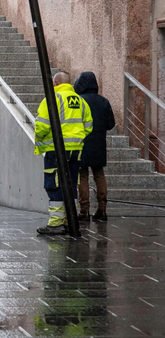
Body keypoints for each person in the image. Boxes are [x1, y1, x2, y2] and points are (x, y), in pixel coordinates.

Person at [35, 72, 93, 235]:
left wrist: (39, 139)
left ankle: (55, 223)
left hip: (56, 149)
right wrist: (77, 138)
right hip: (76, 150)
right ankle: (69, 220)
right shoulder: (81, 101)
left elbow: (42, 126)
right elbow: (89, 126)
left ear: (56, 83)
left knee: (54, 185)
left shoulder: (52, 100)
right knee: (71, 183)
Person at [74, 72, 115, 222]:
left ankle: (84, 211)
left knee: (82, 175)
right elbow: (111, 124)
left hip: (82, 143)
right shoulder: (104, 101)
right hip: (99, 144)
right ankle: (102, 209)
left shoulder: (79, 101)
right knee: (99, 175)